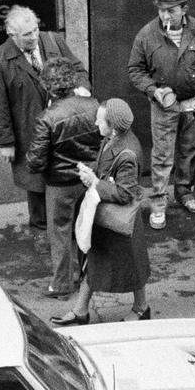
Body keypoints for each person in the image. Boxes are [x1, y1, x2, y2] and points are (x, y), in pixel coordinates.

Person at [0, 5, 89, 249]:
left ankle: (73, 229)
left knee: (68, 177)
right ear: (12, 35)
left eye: (35, 30)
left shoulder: (53, 40)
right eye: (26, 34)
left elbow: (78, 69)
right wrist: (6, 142)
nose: (33, 36)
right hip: (29, 132)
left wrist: (82, 88)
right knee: (36, 184)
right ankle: (41, 232)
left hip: (64, 127)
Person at [53, 98, 148, 326]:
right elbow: (105, 168)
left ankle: (141, 308)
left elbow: (125, 193)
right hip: (110, 219)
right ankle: (81, 310)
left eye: (100, 120)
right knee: (95, 262)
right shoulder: (114, 138)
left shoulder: (127, 153)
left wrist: (94, 182)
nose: (96, 123)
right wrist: (92, 172)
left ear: (113, 126)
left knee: (131, 267)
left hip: (119, 221)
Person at [126, 0, 195, 230]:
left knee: (189, 151)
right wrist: (154, 90)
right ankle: (159, 203)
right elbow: (135, 70)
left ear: (184, 9)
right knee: (162, 156)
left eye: (171, 10)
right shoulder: (146, 34)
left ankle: (184, 192)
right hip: (163, 105)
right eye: (162, 10)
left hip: (193, 104)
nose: (165, 15)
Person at [25, 56, 100, 299]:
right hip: (88, 177)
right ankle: (89, 276)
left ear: (47, 86)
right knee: (86, 227)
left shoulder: (47, 118)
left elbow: (35, 161)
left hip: (60, 184)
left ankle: (62, 284)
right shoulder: (93, 105)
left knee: (59, 233)